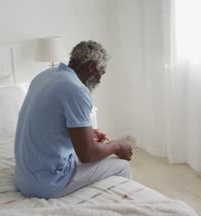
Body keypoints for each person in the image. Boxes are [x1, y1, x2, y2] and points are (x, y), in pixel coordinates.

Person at [14, 40, 133, 199]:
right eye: (101, 72)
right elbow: (87, 155)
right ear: (91, 68)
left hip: (23, 177)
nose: (100, 79)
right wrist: (117, 146)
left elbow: (53, 122)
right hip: (45, 184)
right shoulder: (77, 90)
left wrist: (89, 132)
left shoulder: (45, 75)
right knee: (122, 166)